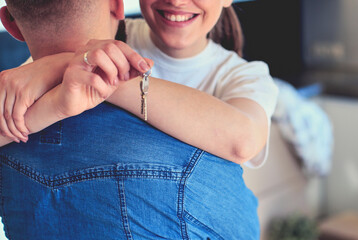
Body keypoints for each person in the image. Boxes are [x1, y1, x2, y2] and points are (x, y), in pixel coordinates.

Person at [0, 0, 265, 239]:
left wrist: (73, 66)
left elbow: (243, 140)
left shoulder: (245, 77)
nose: (176, 0)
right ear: (118, 6)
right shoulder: (119, 29)